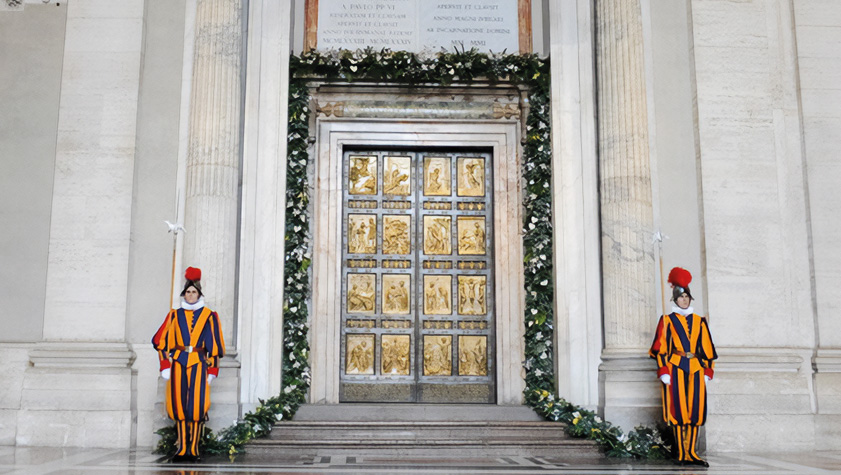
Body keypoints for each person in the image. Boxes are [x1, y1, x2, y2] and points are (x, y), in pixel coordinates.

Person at [152, 267, 226, 462]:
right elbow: (160, 342)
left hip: (199, 364)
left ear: (199, 294)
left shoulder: (209, 316)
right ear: (184, 294)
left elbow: (215, 346)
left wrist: (212, 370)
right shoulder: (174, 315)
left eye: (194, 292)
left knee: (196, 407)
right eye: (188, 292)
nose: (191, 295)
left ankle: (193, 449)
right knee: (179, 406)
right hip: (178, 363)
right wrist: (164, 365)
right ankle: (182, 448)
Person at [649, 267, 717, 467]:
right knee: (678, 410)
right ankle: (681, 452)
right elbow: (660, 349)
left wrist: (707, 371)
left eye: (687, 296)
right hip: (676, 367)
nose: (684, 300)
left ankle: (692, 453)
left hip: (696, 368)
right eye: (681, 297)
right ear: (675, 300)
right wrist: (664, 371)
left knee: (695, 410)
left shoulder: (700, 322)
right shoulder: (667, 321)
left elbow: (708, 350)